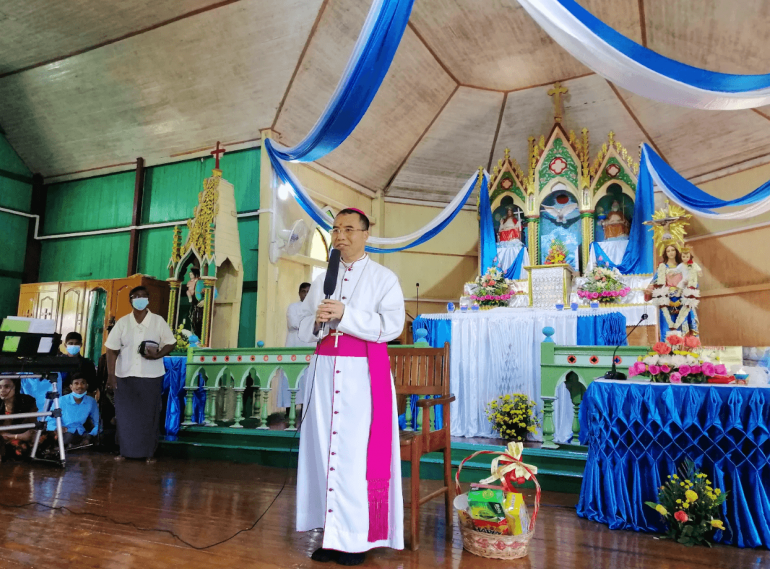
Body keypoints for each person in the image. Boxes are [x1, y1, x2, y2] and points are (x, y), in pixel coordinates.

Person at [296, 208, 405, 566]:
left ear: (365, 234)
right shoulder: (321, 278)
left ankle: (356, 538)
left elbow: (391, 327)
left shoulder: (383, 278)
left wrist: (345, 314)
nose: (340, 235)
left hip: (363, 375)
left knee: (355, 455)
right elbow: (303, 330)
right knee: (325, 450)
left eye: (348, 229)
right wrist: (316, 322)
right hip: (325, 371)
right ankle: (331, 534)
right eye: (335, 229)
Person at [105, 286, 176, 463]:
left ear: (149, 300)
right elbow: (111, 349)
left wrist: (158, 354)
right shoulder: (122, 323)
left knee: (149, 416)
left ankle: (149, 453)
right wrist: (111, 375)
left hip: (151, 376)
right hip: (125, 375)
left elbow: (171, 343)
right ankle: (124, 451)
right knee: (125, 415)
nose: (140, 299)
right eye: (136, 296)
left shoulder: (158, 321)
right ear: (130, 300)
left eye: (144, 296)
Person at [644, 244, 697, 340]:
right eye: (668, 251)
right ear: (665, 254)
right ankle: (666, 351)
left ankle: (684, 350)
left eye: (673, 250)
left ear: (677, 252)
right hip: (667, 301)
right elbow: (655, 283)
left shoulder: (684, 267)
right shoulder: (662, 268)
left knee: (682, 325)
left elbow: (693, 282)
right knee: (667, 327)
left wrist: (687, 293)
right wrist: (648, 291)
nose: (671, 253)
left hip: (682, 300)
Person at [278, 282, 314, 417]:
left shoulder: (316, 308)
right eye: (303, 291)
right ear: (299, 293)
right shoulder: (293, 307)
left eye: (309, 291)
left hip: (310, 347)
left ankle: (306, 409)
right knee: (291, 378)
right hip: (294, 346)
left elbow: (318, 325)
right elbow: (293, 323)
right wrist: (310, 322)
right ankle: (289, 411)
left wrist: (309, 323)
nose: (306, 294)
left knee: (307, 378)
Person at [47, 374, 99, 448]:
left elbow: (98, 422)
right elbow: (50, 420)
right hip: (64, 433)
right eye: (76, 383)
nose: (79, 386)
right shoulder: (61, 400)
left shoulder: (91, 401)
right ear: (71, 386)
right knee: (68, 437)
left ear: (87, 386)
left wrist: (90, 435)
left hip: (81, 433)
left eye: (83, 383)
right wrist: (57, 428)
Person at [0, 376, 44, 462]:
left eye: (7, 386)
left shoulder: (27, 402)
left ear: (16, 387)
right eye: (0, 387)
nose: (2, 390)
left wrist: (12, 436)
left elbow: (30, 430)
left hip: (19, 440)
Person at [61, 331, 98, 397]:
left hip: (82, 398)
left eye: (76, 343)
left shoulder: (88, 363)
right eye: (70, 343)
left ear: (81, 345)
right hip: (62, 398)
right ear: (65, 345)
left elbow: (92, 385)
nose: (73, 345)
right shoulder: (60, 362)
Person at [186, 267, 203, 338]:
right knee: (193, 320)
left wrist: (205, 300)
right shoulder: (190, 283)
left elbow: (214, 293)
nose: (190, 274)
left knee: (199, 321)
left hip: (201, 305)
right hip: (194, 305)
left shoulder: (200, 282)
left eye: (192, 273)